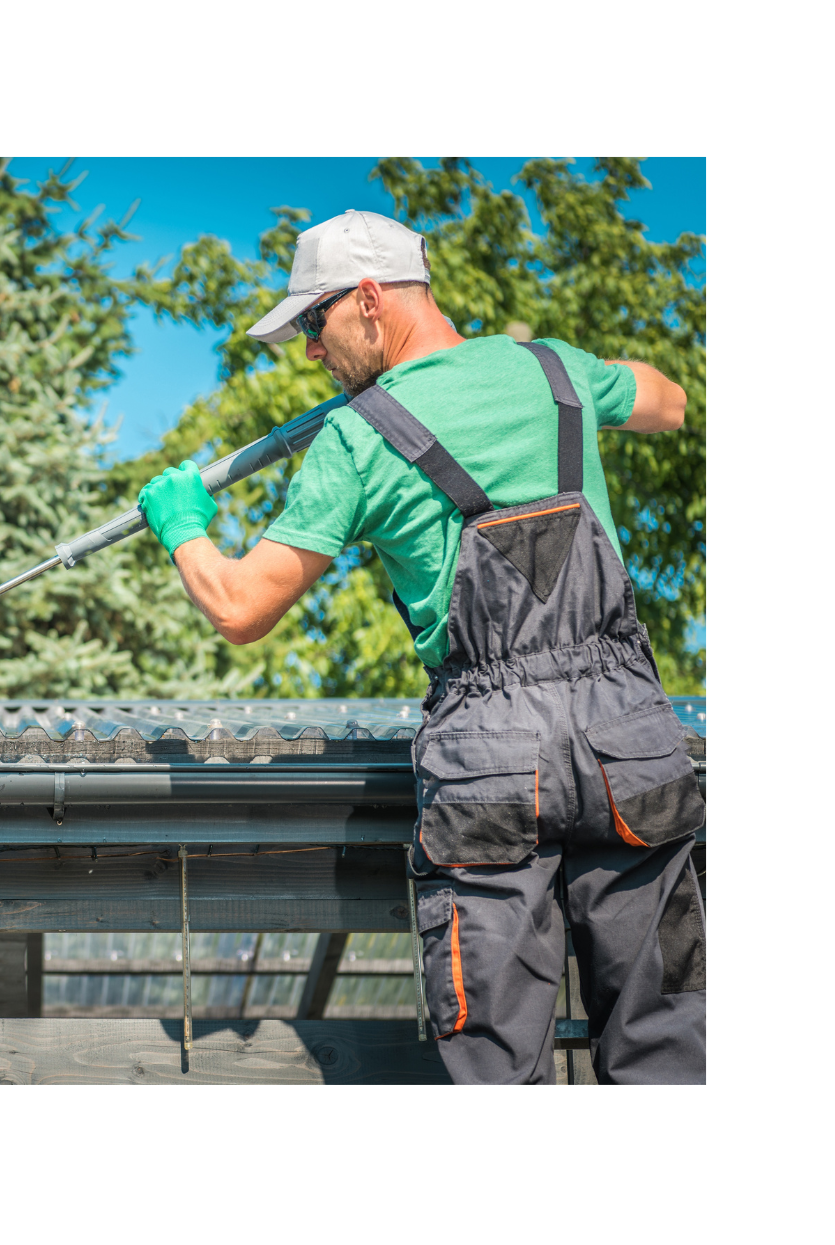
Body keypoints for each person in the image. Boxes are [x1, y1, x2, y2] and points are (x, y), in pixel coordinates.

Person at [136, 209, 705, 1084]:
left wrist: (183, 527)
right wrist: (567, 388)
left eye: (313, 323)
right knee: (671, 1048)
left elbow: (240, 607)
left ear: (369, 299)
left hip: (491, 762)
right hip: (630, 739)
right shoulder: (555, 371)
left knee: (491, 1070)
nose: (309, 352)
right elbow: (668, 402)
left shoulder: (359, 439)